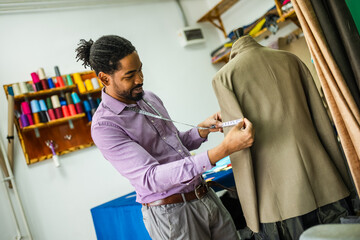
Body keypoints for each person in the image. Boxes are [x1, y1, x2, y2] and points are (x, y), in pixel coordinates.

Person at [75, 35, 255, 240]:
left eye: (140, 69)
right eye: (130, 75)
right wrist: (222, 150)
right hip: (173, 216)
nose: (140, 79)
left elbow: (174, 143)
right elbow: (151, 177)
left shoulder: (148, 98)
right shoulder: (105, 126)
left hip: (204, 196)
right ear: (105, 78)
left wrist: (201, 131)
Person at [212, 34, 354, 240]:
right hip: (325, 179)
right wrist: (344, 176)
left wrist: (251, 215)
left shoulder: (224, 77)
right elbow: (322, 120)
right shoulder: (291, 59)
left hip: (278, 198)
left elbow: (240, 149)